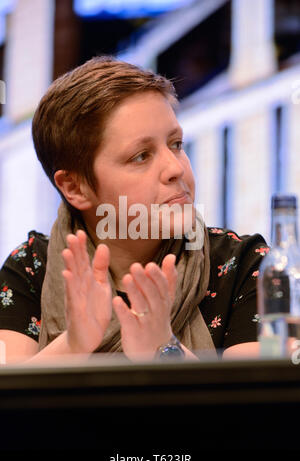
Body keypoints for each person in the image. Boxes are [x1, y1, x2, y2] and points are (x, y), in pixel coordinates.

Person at [0, 56, 267, 363]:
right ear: (74, 188)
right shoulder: (32, 267)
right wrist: (73, 345)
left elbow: (257, 407)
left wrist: (164, 349)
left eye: (176, 144)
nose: (174, 168)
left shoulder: (246, 265)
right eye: (141, 156)